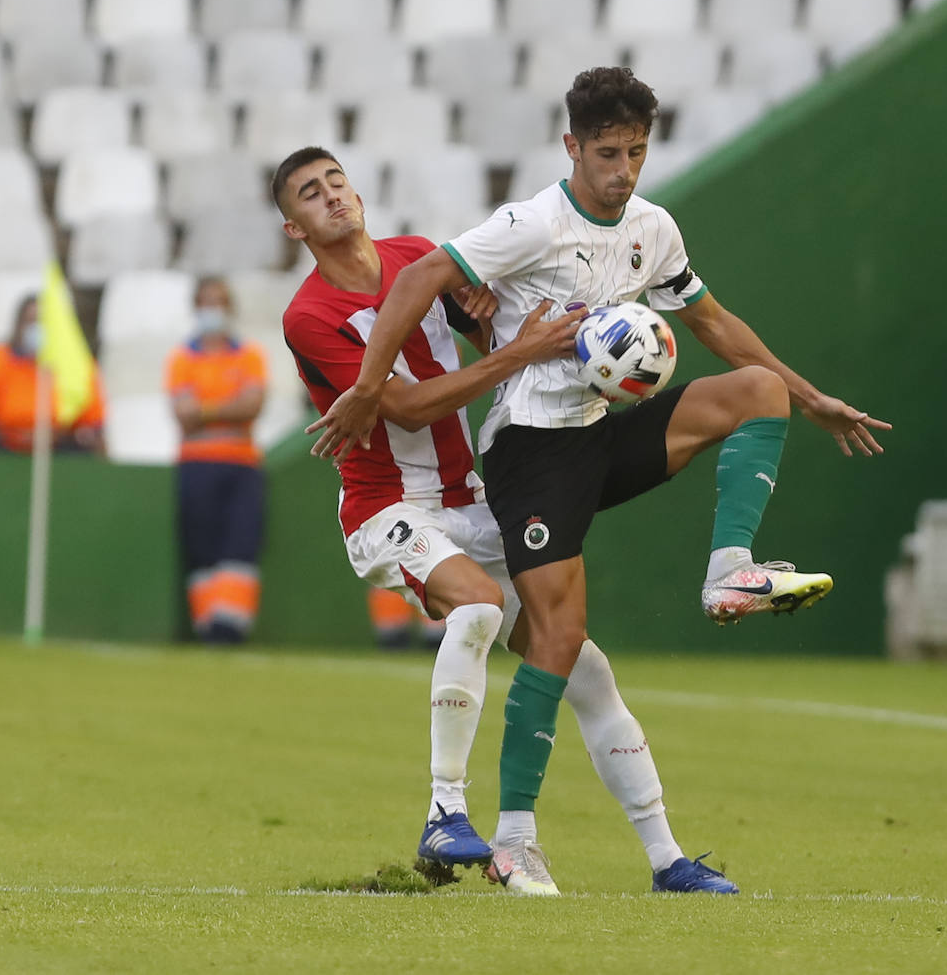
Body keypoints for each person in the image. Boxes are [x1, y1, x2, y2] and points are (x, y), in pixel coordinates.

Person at [309, 67, 893, 893]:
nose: (623, 170)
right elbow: (415, 280)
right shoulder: (530, 224)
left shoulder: (652, 228)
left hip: (595, 434)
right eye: (608, 153)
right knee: (561, 645)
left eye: (637, 153)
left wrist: (813, 398)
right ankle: (514, 839)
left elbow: (714, 322)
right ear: (572, 148)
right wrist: (369, 387)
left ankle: (730, 572)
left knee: (759, 392)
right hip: (528, 454)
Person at [275, 145, 733, 896]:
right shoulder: (309, 315)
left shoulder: (418, 258)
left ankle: (667, 859)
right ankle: (444, 810)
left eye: (335, 181)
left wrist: (523, 332)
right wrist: (516, 353)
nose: (330, 197)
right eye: (308, 194)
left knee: (578, 661)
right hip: (388, 507)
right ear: (294, 227)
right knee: (479, 606)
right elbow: (407, 405)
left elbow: (491, 330)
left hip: (470, 499)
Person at [165, 277, 268, 646]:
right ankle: (209, 627)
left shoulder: (249, 354)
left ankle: (231, 628)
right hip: (196, 464)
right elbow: (182, 413)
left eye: (221, 301)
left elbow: (253, 405)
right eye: (207, 301)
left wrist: (204, 411)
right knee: (203, 548)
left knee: (239, 546)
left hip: (242, 464)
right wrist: (229, 409)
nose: (214, 309)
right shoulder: (182, 358)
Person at [0, 294, 105, 455]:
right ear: (18, 325)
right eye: (31, 321)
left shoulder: (79, 366)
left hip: (60, 454)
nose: (38, 328)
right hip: (3, 453)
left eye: (46, 323)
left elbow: (96, 429)